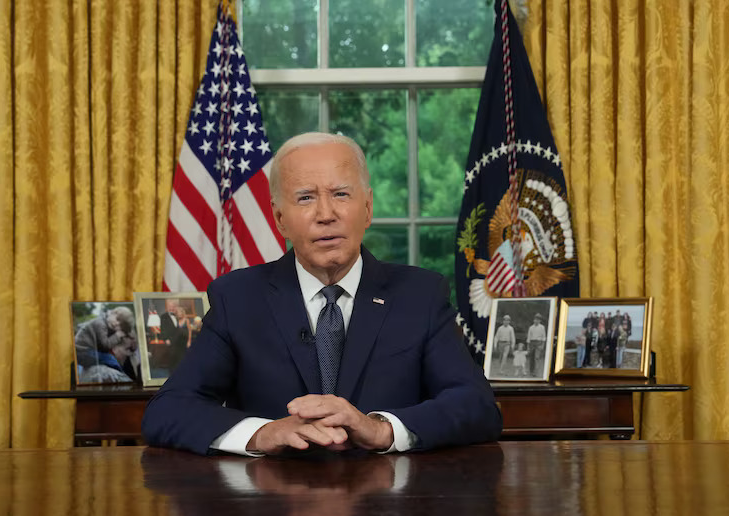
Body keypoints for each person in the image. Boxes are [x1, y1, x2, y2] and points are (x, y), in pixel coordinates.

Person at [142, 132, 502, 456]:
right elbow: (168, 410)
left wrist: (380, 430)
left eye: (341, 194)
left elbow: (477, 406)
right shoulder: (237, 298)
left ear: (368, 207)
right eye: (305, 198)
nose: (325, 214)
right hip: (271, 509)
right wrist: (263, 433)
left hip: (391, 508)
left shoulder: (420, 294)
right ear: (280, 218)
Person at [74, 306, 136, 380]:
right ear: (112, 313)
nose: (116, 324)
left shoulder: (106, 323)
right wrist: (117, 335)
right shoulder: (100, 323)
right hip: (82, 352)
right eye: (117, 319)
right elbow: (105, 345)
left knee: (108, 358)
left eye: (120, 326)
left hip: (86, 352)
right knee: (110, 359)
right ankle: (121, 376)